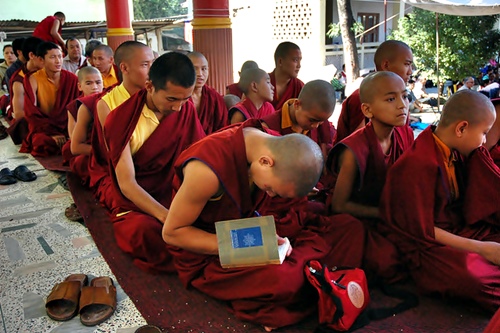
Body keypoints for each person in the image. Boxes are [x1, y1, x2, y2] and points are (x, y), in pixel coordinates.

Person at [162, 119, 364, 331]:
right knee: (281, 280)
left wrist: (265, 237)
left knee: (348, 228)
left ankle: (307, 279)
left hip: (243, 223)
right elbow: (173, 233)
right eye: (271, 189)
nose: (270, 194)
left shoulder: (268, 141)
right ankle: (311, 279)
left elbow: (266, 207)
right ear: (266, 162)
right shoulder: (207, 171)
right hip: (204, 247)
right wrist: (247, 245)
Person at [380, 89, 500, 312]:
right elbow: (421, 231)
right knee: (473, 278)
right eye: (484, 133)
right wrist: (483, 249)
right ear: (461, 128)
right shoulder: (417, 164)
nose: (484, 142)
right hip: (427, 246)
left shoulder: (456, 150)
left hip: (457, 231)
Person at [102, 52, 205, 273]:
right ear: (149, 86)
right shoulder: (120, 121)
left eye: (185, 99)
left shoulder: (184, 109)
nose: (178, 107)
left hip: (178, 194)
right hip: (140, 204)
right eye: (171, 99)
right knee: (143, 232)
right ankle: (204, 255)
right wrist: (165, 215)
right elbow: (127, 184)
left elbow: (199, 156)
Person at [328, 72, 414, 282]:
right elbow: (338, 205)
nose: (402, 105)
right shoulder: (353, 150)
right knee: (388, 261)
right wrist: (383, 213)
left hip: (387, 214)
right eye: (391, 99)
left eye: (405, 96)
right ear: (367, 110)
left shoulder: (403, 135)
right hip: (360, 218)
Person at [90, 41, 154, 199]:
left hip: (161, 172)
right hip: (125, 173)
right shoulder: (107, 104)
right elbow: (116, 156)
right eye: (145, 65)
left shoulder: (159, 97)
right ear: (124, 68)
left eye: (154, 64)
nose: (152, 71)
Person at [334, 40, 413, 145]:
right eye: (407, 64)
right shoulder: (361, 97)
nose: (410, 72)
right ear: (386, 65)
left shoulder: (401, 98)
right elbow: (358, 145)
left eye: (405, 97)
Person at [21, 42, 79, 156]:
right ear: (41, 60)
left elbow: (78, 107)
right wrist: (51, 133)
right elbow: (31, 112)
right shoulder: (33, 79)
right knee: (39, 142)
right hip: (44, 128)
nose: (58, 61)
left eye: (60, 56)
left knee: (77, 141)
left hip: (67, 125)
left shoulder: (71, 79)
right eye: (52, 57)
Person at [261, 79, 336, 163]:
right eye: (312, 120)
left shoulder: (319, 117)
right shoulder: (268, 126)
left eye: (321, 121)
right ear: (297, 105)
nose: (316, 126)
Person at [62, 66, 103, 171]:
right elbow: (73, 136)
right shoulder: (74, 105)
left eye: (98, 82)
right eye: (89, 83)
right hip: (87, 145)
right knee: (68, 149)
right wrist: (99, 152)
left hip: (103, 143)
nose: (95, 87)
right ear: (80, 86)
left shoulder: (108, 100)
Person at [5, 37, 44, 144]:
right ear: (31, 56)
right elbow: (19, 114)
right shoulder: (19, 79)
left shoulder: (47, 72)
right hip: (34, 122)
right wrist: (46, 123)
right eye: (42, 57)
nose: (45, 61)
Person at [187, 51, 227, 134]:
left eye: (204, 69)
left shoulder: (214, 97)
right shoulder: (177, 97)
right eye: (194, 69)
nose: (200, 74)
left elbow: (223, 128)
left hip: (210, 145)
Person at [269, 41, 304, 110]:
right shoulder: (262, 83)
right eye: (295, 60)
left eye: (300, 60)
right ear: (280, 62)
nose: (299, 65)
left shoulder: (299, 86)